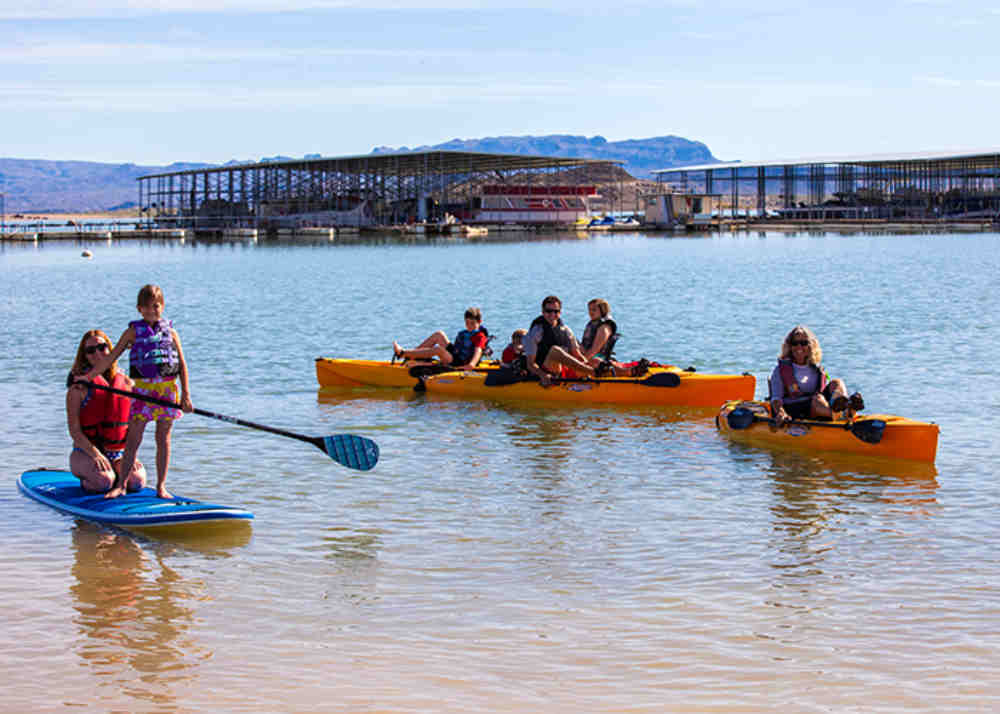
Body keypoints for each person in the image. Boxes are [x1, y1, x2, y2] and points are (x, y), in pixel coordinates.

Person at [82, 285, 193, 499]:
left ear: (163, 306)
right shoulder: (132, 332)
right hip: (142, 392)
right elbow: (110, 358)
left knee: (164, 439)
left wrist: (186, 395)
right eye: (147, 307)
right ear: (139, 309)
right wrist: (87, 377)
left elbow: (182, 365)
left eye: (156, 306)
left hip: (167, 392)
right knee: (133, 439)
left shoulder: (171, 332)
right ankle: (121, 485)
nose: (152, 310)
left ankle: (161, 486)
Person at [66, 329, 148, 493]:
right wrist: (96, 455)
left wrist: (130, 454)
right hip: (86, 452)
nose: (97, 353)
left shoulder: (127, 384)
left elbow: (135, 426)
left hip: (117, 453)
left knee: (138, 481)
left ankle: (116, 475)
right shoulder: (78, 389)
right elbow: (74, 431)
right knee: (104, 481)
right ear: (85, 356)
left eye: (102, 347)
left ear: (110, 349)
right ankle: (93, 480)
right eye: (90, 350)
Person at [769, 325, 864, 425]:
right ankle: (841, 415)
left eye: (804, 343)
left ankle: (846, 407)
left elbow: (823, 391)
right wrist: (781, 413)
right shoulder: (780, 370)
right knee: (817, 400)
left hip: (818, 404)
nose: (799, 347)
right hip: (795, 408)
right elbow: (776, 399)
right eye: (795, 343)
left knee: (836, 382)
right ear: (790, 346)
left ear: (810, 346)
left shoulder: (815, 368)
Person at [523, 295, 611, 386]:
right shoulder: (536, 332)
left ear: (560, 313)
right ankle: (593, 372)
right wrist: (543, 375)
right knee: (555, 350)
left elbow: (577, 355)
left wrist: (589, 364)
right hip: (546, 372)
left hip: (564, 372)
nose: (552, 314)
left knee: (596, 361)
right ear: (543, 312)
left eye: (556, 311)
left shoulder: (566, 330)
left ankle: (611, 378)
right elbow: (530, 364)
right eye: (549, 311)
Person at [392, 307, 489, 369]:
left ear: (479, 322)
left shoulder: (479, 336)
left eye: (472, 323)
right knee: (439, 334)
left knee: (439, 350)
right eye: (467, 323)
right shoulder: (465, 333)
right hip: (455, 355)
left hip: (460, 362)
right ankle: (412, 357)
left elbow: (478, 351)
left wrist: (471, 365)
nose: (469, 326)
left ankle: (403, 353)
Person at [579, 298, 650, 377]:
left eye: (594, 309)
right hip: (587, 355)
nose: (590, 312)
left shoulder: (604, 327)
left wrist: (580, 362)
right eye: (589, 309)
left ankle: (630, 372)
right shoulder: (593, 323)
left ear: (602, 310)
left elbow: (594, 350)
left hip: (598, 358)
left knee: (594, 361)